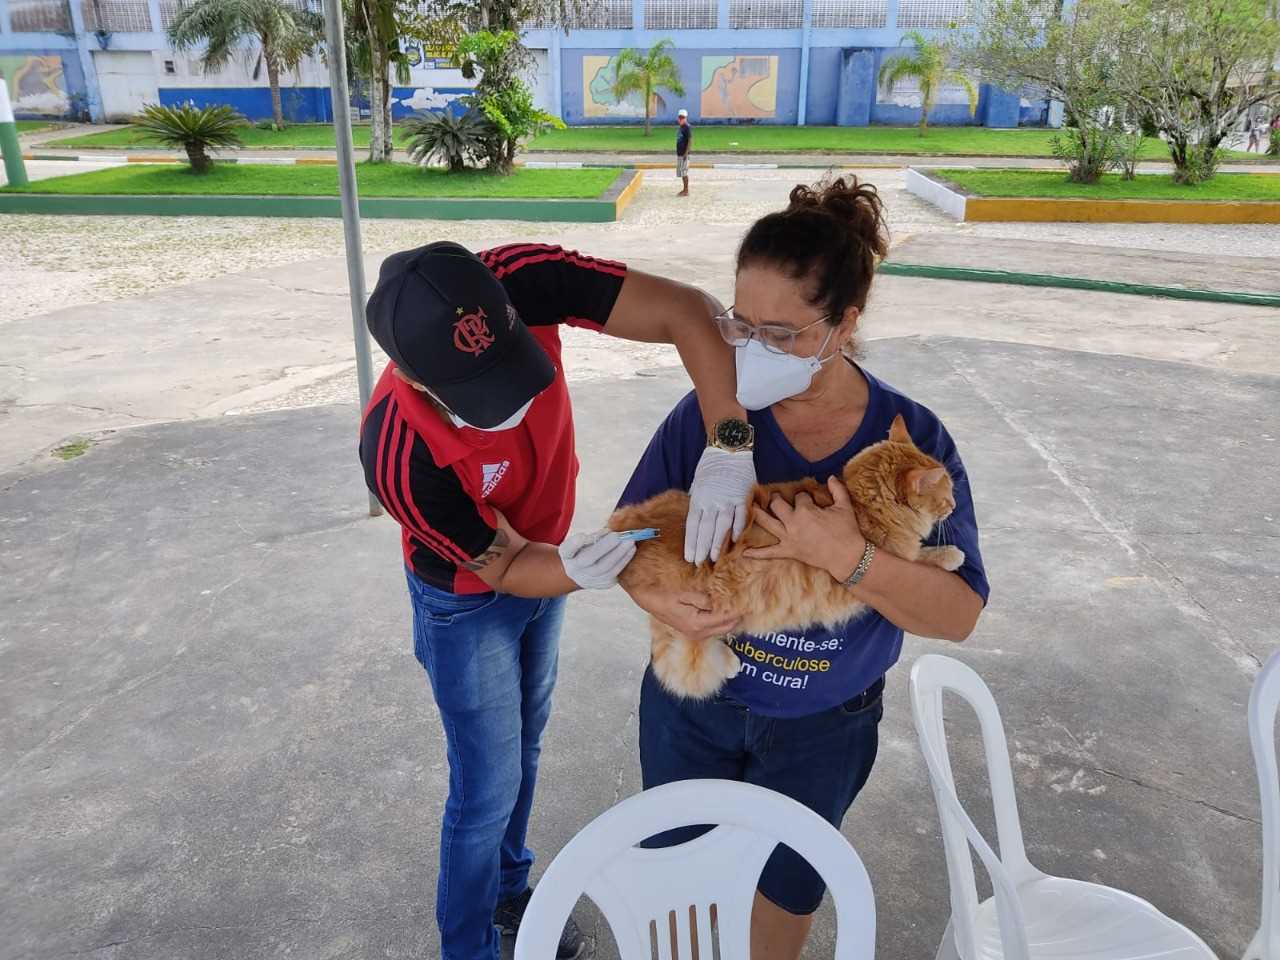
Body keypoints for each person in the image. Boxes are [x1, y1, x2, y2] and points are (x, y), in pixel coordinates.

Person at [616, 178, 990, 960]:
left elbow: (956, 615)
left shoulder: (912, 442)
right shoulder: (711, 414)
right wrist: (667, 604)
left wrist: (846, 556)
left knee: (783, 897)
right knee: (683, 890)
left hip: (825, 722)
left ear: (844, 324)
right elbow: (627, 546)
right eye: (739, 326)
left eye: (781, 334)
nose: (751, 350)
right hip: (697, 709)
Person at [358, 241, 757, 960]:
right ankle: (470, 947)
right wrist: (587, 571)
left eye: (511, 369)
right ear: (414, 378)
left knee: (527, 740)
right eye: (483, 395)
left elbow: (686, 312)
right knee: (486, 787)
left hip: (545, 558)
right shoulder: (400, 453)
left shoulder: (521, 276)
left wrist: (729, 447)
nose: (513, 407)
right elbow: (508, 565)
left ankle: (509, 891)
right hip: (466, 600)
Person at [676, 108, 692, 197]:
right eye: (680, 117)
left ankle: (686, 190)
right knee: (682, 172)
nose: (681, 119)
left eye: (682, 117)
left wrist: (686, 153)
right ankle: (684, 189)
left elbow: (690, 140)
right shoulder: (681, 127)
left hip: (684, 154)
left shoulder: (687, 127)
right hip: (680, 153)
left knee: (684, 172)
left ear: (685, 118)